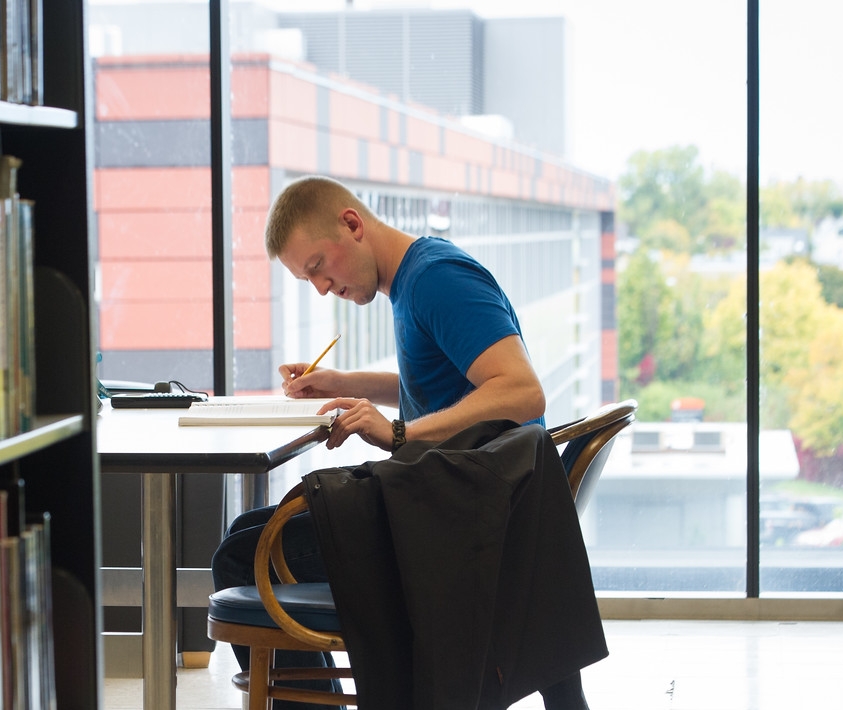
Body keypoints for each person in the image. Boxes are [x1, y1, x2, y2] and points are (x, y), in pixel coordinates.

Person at [210, 175, 592, 710]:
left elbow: (522, 391)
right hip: (452, 508)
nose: (321, 287)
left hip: (458, 527)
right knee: (246, 531)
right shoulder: (411, 280)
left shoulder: (438, 280)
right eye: (307, 280)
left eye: (319, 267)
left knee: (240, 555)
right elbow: (445, 389)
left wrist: (398, 434)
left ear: (351, 224)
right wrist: (346, 386)